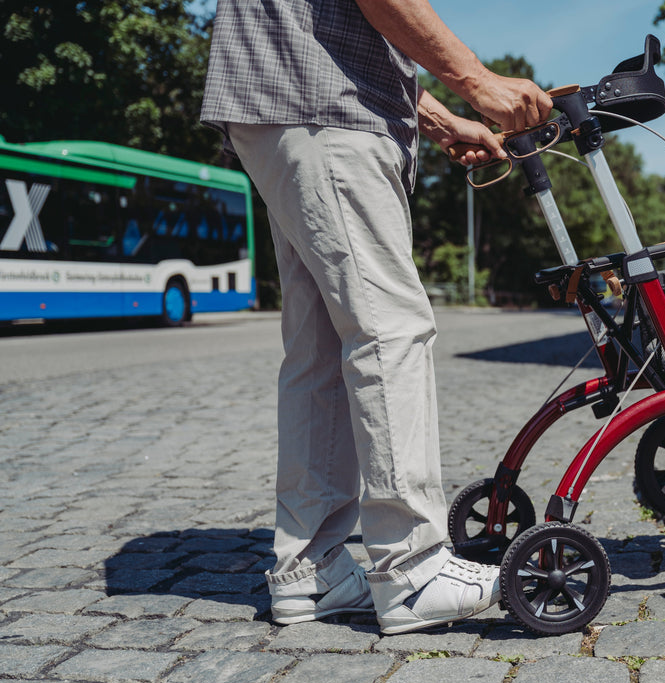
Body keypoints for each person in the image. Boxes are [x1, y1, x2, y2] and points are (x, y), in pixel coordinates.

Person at [200, 0, 552, 634]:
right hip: (320, 106)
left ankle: (311, 568)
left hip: (286, 103)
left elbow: (341, 27)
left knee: (320, 348)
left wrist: (443, 121)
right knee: (389, 328)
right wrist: (478, 82)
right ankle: (411, 569)